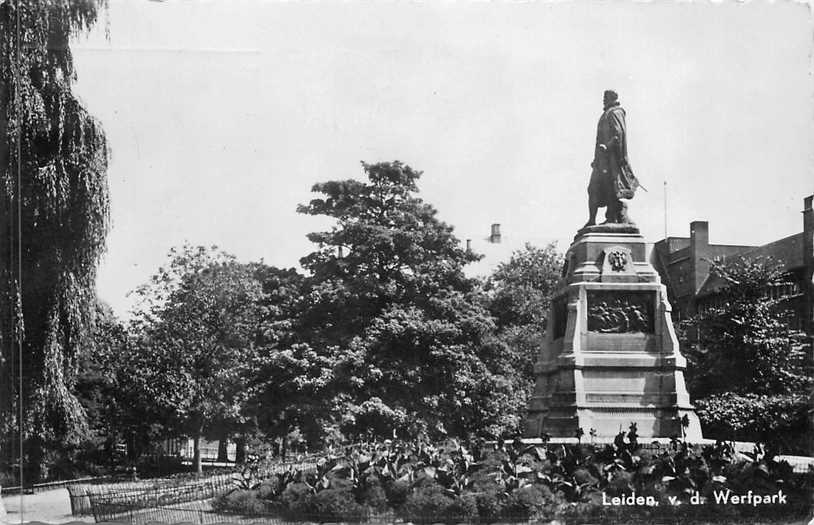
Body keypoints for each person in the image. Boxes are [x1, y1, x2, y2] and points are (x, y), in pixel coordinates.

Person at [585, 90, 639, 227]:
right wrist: (596, 158)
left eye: (606, 97)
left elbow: (618, 133)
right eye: (603, 97)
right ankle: (592, 220)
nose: (603, 99)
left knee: (609, 188)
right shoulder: (606, 114)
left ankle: (613, 217)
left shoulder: (616, 112)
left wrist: (607, 147)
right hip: (601, 160)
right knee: (594, 189)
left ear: (612, 98)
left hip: (611, 161)